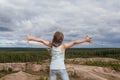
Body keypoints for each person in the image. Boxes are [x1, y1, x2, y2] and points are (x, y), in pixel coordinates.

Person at [25, 31, 92, 80]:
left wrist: (31, 38)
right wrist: (86, 40)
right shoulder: (63, 46)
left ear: (54, 38)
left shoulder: (50, 45)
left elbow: (41, 41)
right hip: (61, 68)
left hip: (52, 69)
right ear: (61, 39)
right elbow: (75, 42)